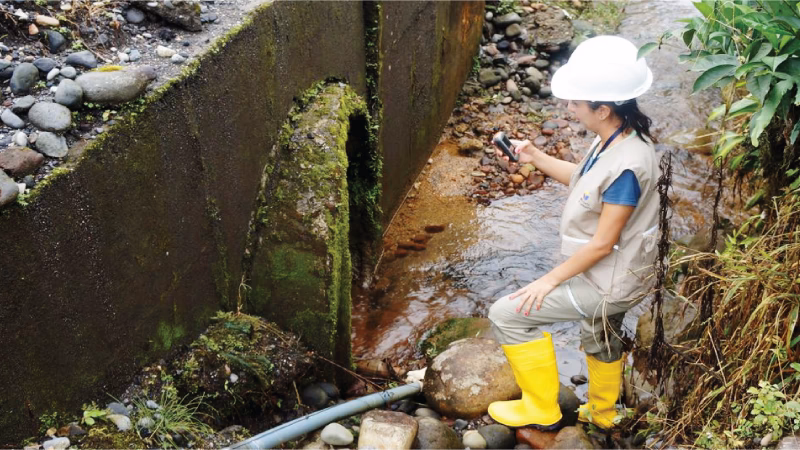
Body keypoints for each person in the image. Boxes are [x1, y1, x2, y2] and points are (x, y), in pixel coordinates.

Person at [487, 35, 661, 430]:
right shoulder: (617, 138)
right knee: (600, 332)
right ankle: (603, 413)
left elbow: (602, 243)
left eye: (576, 103)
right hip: (616, 271)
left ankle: (541, 408)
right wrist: (534, 156)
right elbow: (583, 182)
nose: (568, 108)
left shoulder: (628, 166)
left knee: (508, 314)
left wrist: (545, 282)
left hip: (609, 282)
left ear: (603, 109)